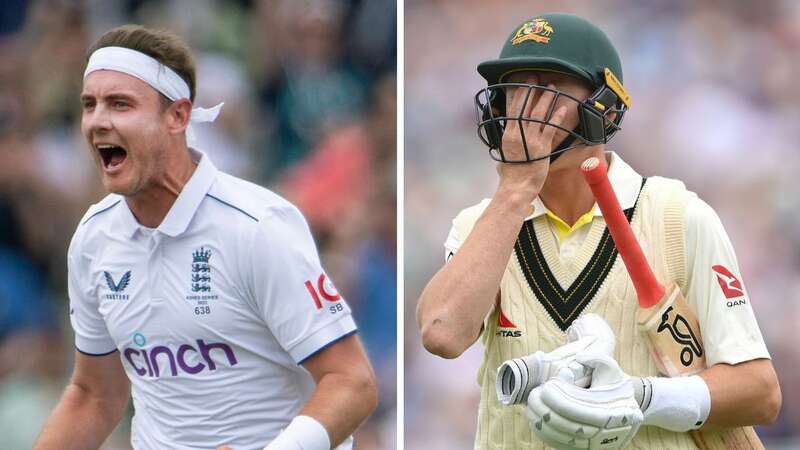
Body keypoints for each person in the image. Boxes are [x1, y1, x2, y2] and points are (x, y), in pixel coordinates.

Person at [416, 12, 781, 449]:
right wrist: (516, 190)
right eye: (514, 90)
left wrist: (642, 397)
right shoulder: (480, 224)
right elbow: (442, 333)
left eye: (549, 90)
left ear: (602, 107)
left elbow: (760, 392)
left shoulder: (677, 216)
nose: (525, 109)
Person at [33, 25, 377, 450]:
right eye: (90, 105)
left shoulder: (256, 226)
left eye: (120, 104)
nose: (98, 121)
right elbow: (94, 395)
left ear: (177, 116)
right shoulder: (93, 237)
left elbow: (352, 381)